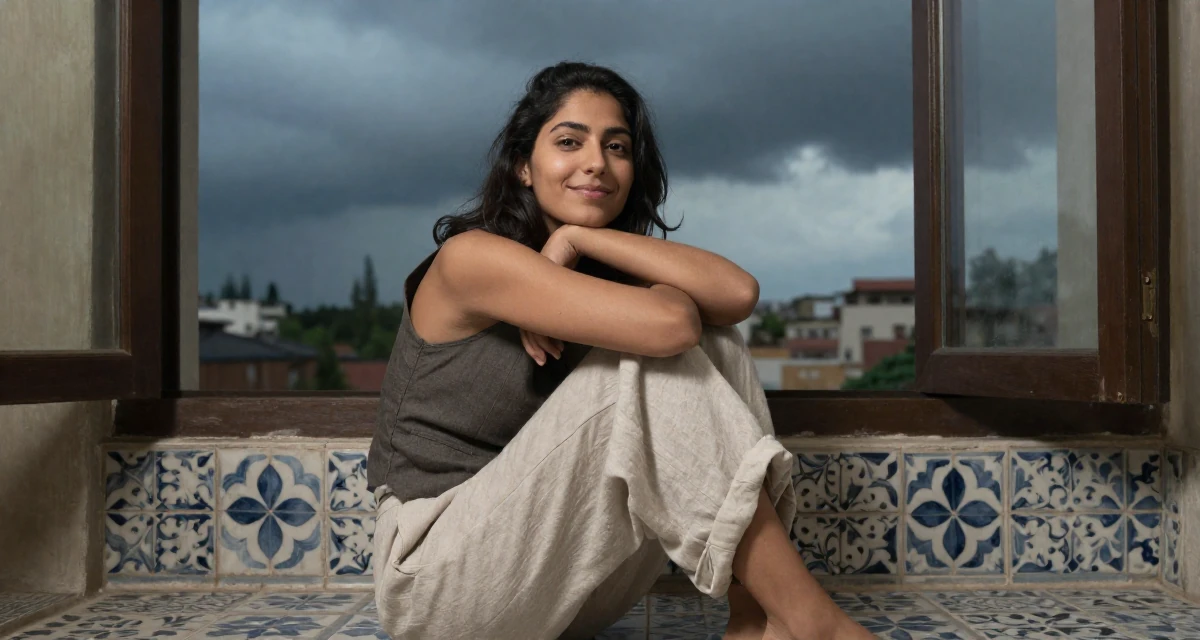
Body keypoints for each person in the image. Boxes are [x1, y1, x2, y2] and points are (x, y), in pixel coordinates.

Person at [366, 61, 873, 640]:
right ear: (522, 166)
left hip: (559, 586)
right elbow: (671, 325)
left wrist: (581, 236)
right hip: (436, 581)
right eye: (568, 142)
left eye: (616, 147)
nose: (596, 163)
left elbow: (737, 295)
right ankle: (816, 626)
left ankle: (757, 619)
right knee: (652, 358)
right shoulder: (471, 258)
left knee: (717, 338)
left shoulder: (592, 277)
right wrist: (580, 242)